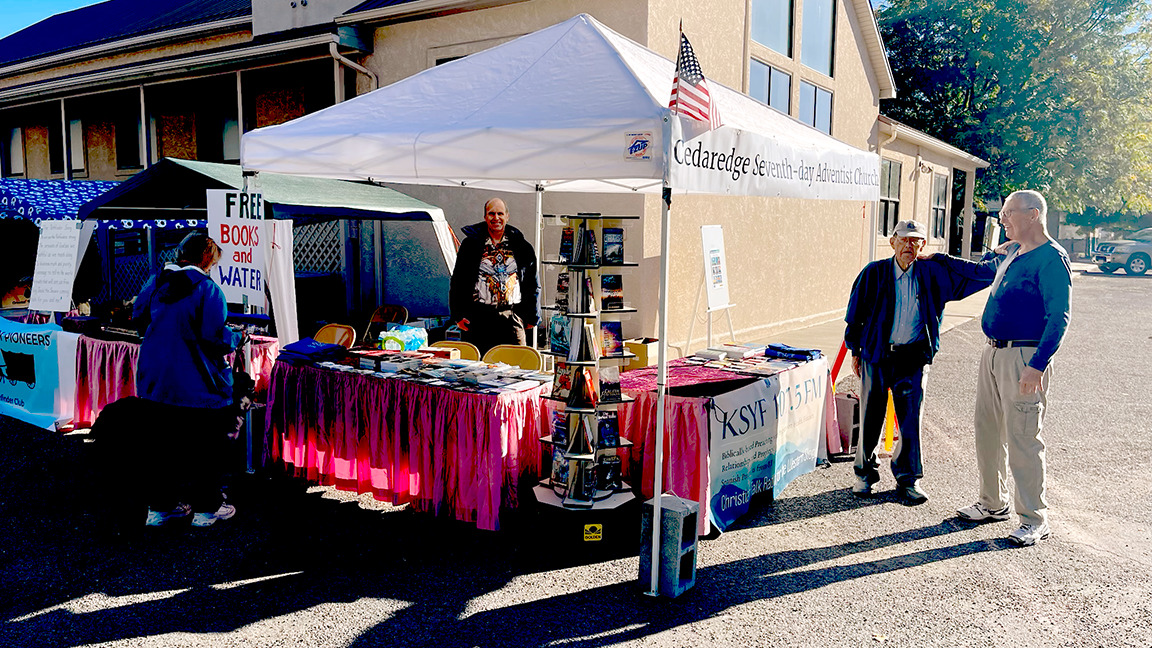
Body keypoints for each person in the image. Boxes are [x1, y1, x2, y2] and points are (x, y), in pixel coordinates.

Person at [844, 220, 997, 505]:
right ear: (892, 242)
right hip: (877, 355)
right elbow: (855, 313)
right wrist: (855, 350)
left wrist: (944, 258)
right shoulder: (874, 273)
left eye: (916, 241)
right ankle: (865, 475)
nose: (909, 246)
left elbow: (980, 276)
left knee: (910, 420)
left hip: (912, 357)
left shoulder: (933, 273)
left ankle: (908, 479)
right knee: (871, 416)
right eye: (903, 239)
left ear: (923, 246)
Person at [956, 190, 1071, 547]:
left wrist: (1037, 366)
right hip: (992, 353)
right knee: (986, 430)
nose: (1001, 219)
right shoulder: (1014, 253)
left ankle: (1034, 518)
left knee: (1022, 436)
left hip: (1024, 358)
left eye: (1008, 213)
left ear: (1033, 215)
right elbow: (978, 274)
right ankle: (992, 503)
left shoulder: (1051, 259)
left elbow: (1059, 316)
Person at [133, 232, 244, 528]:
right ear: (208, 259)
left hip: (156, 377)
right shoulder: (208, 289)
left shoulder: (157, 281)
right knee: (205, 446)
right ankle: (207, 508)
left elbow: (137, 317)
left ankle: (161, 508)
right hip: (196, 382)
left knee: (161, 446)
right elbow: (214, 338)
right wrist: (238, 335)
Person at [449, 198, 540, 355]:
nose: (496, 218)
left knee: (517, 366)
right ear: (485, 217)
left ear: (507, 216)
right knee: (479, 369)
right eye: (491, 214)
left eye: (500, 213)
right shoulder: (471, 245)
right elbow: (458, 281)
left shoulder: (522, 246)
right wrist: (457, 315)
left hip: (511, 316)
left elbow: (532, 283)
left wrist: (533, 316)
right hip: (479, 318)